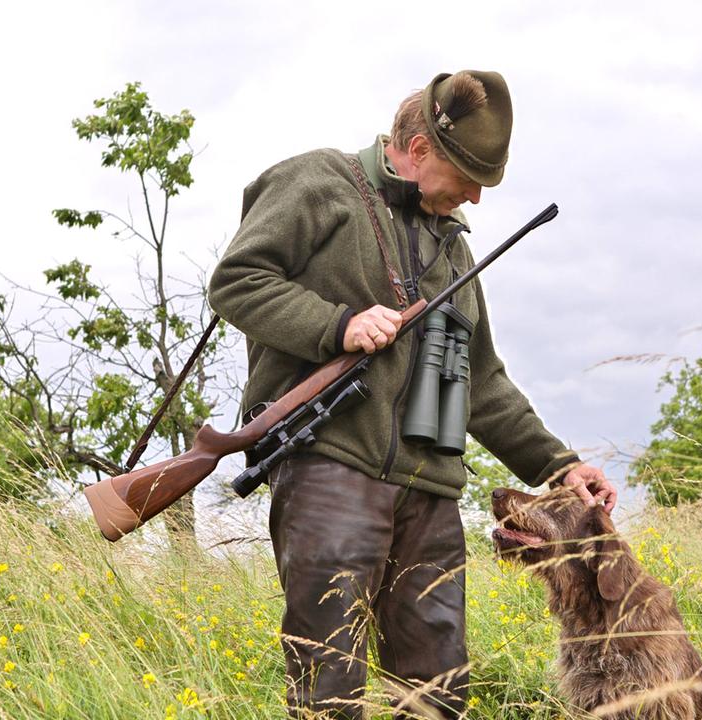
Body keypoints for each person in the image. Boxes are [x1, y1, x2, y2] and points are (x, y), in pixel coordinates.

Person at [208, 70, 618, 719]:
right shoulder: (317, 183)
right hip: (331, 469)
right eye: (468, 177)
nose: (477, 200)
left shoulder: (452, 248)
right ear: (420, 148)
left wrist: (561, 468)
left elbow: (480, 383)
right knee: (329, 686)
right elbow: (237, 281)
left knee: (436, 691)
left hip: (430, 494)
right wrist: (335, 326)